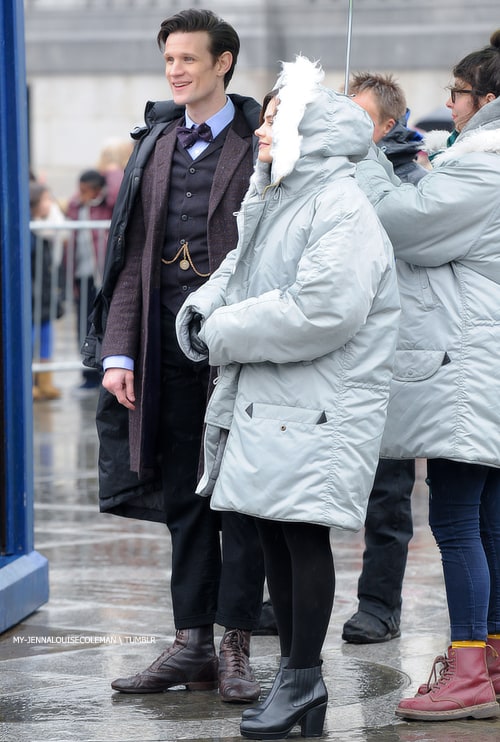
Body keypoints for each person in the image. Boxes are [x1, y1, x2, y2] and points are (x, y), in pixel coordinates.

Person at [175, 55, 400, 739]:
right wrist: (202, 311)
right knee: (275, 530)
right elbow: (241, 276)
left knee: (301, 538)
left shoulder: (339, 203)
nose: (263, 130)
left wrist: (223, 331)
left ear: (310, 128)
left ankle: (304, 678)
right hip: (275, 399)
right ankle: (298, 685)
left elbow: (322, 310)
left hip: (317, 404)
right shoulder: (279, 196)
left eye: (276, 119)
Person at [84, 9, 265, 703]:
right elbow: (129, 258)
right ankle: (191, 643)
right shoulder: (155, 143)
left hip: (241, 352)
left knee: (241, 501)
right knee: (186, 501)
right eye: (169, 60)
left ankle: (236, 645)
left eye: (189, 59)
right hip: (164, 351)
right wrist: (119, 354)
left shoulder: (259, 144)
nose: (176, 70)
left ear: (223, 63)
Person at [355, 30, 500, 721]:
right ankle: (489, 661)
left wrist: (373, 164)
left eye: (458, 93)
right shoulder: (478, 162)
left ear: (488, 98)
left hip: (467, 369)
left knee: (456, 519)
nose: (449, 104)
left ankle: (469, 670)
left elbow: (403, 225)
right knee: (489, 520)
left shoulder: (485, 162)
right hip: (479, 364)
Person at [341, 72, 427, 645]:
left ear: (386, 126)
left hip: (391, 360)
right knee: (294, 483)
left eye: (358, 119)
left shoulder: (415, 183)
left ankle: (379, 604)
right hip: (329, 356)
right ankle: (278, 597)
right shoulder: (321, 176)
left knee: (387, 493)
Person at [67, 169, 116, 390]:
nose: (81, 194)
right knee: (84, 326)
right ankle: (88, 374)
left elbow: (116, 189)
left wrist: (112, 168)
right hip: (82, 275)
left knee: (105, 323)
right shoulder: (76, 206)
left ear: (97, 189)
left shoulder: (108, 205)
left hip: (103, 275)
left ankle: (106, 369)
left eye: (86, 190)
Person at [29, 180, 65, 401]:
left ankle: (45, 381)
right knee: (31, 336)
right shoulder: (30, 228)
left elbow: (58, 224)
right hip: (32, 292)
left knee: (45, 334)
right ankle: (31, 380)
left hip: (43, 290)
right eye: (45, 200)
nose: (50, 203)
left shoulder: (44, 226)